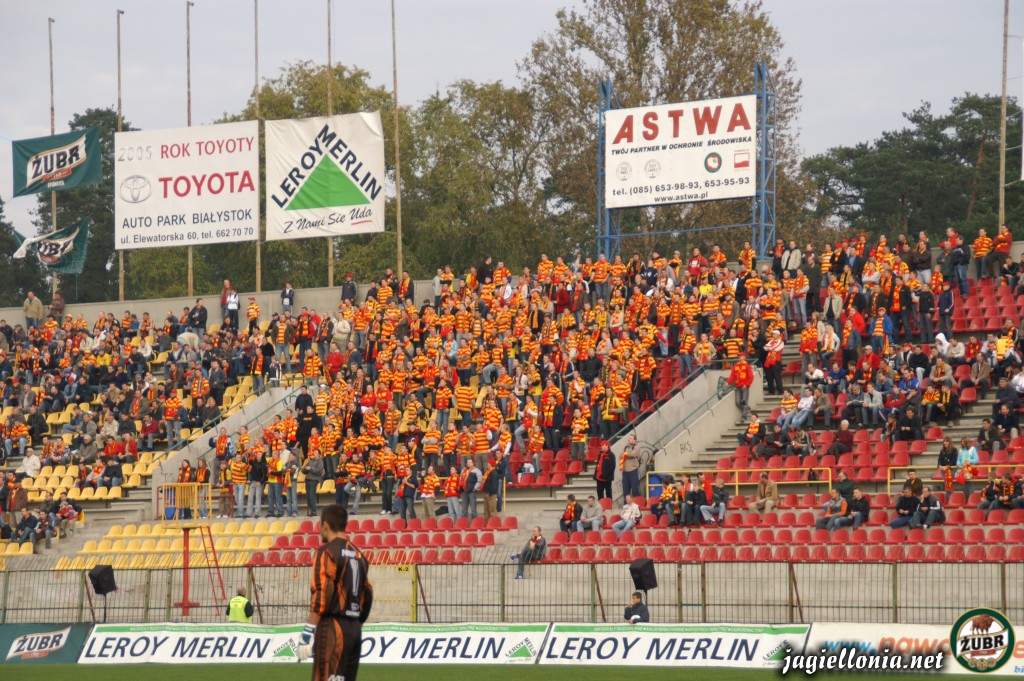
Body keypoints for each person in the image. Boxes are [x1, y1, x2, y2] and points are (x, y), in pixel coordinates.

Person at [297, 505, 372, 681]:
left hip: (333, 627)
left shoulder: (326, 552)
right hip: (354, 629)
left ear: (325, 525)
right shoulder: (359, 555)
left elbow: (321, 592)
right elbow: (367, 594)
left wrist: (307, 632)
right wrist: (356, 623)